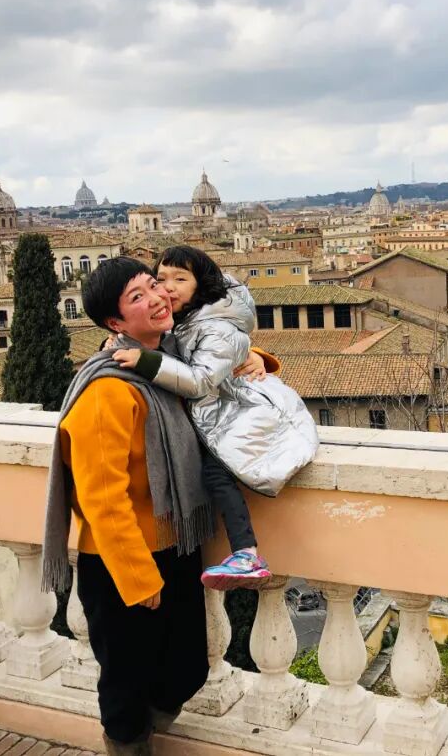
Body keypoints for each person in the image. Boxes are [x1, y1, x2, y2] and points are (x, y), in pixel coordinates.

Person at [42, 257, 220, 755]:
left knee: (187, 668)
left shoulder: (169, 365)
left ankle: (143, 732)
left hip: (177, 545)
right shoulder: (108, 392)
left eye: (154, 285)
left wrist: (256, 360)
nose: (158, 297)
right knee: (125, 684)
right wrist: (137, 577)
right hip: (122, 561)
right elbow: (101, 497)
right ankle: (128, 744)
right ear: (114, 323)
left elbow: (215, 368)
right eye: (137, 297)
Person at [112, 245, 319, 591]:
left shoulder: (213, 326)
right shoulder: (185, 320)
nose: (168, 287)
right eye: (161, 279)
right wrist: (120, 341)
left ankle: (246, 553)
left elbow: (202, 377)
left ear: (201, 285)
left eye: (180, 279)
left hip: (239, 412)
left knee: (216, 472)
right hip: (219, 410)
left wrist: (145, 361)